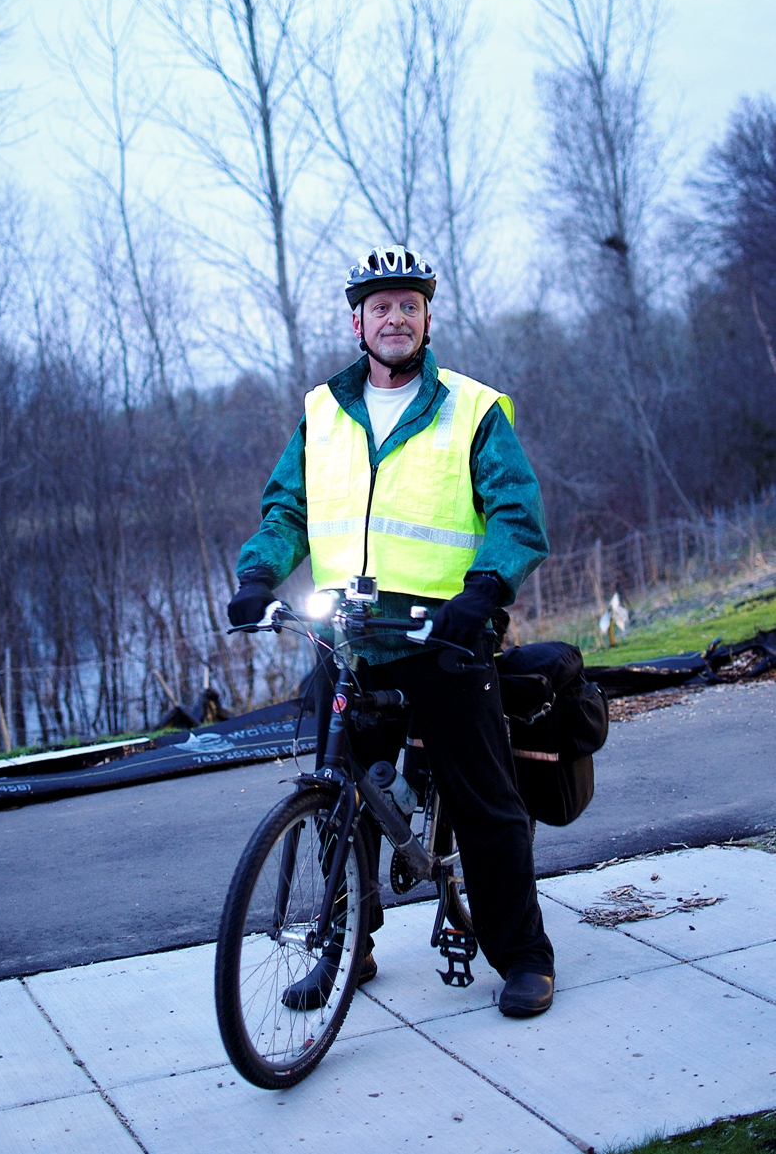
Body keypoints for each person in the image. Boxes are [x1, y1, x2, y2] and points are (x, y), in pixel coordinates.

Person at [228, 244, 555, 1019]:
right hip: (351, 635)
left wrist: (483, 589)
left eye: (408, 304)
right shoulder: (320, 411)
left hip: (443, 633)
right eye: (381, 306)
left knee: (485, 803)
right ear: (358, 321)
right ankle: (346, 951)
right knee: (338, 800)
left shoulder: (470, 407)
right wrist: (256, 576)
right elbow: (288, 512)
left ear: (426, 317)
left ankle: (523, 956)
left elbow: (516, 512)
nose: (396, 317)